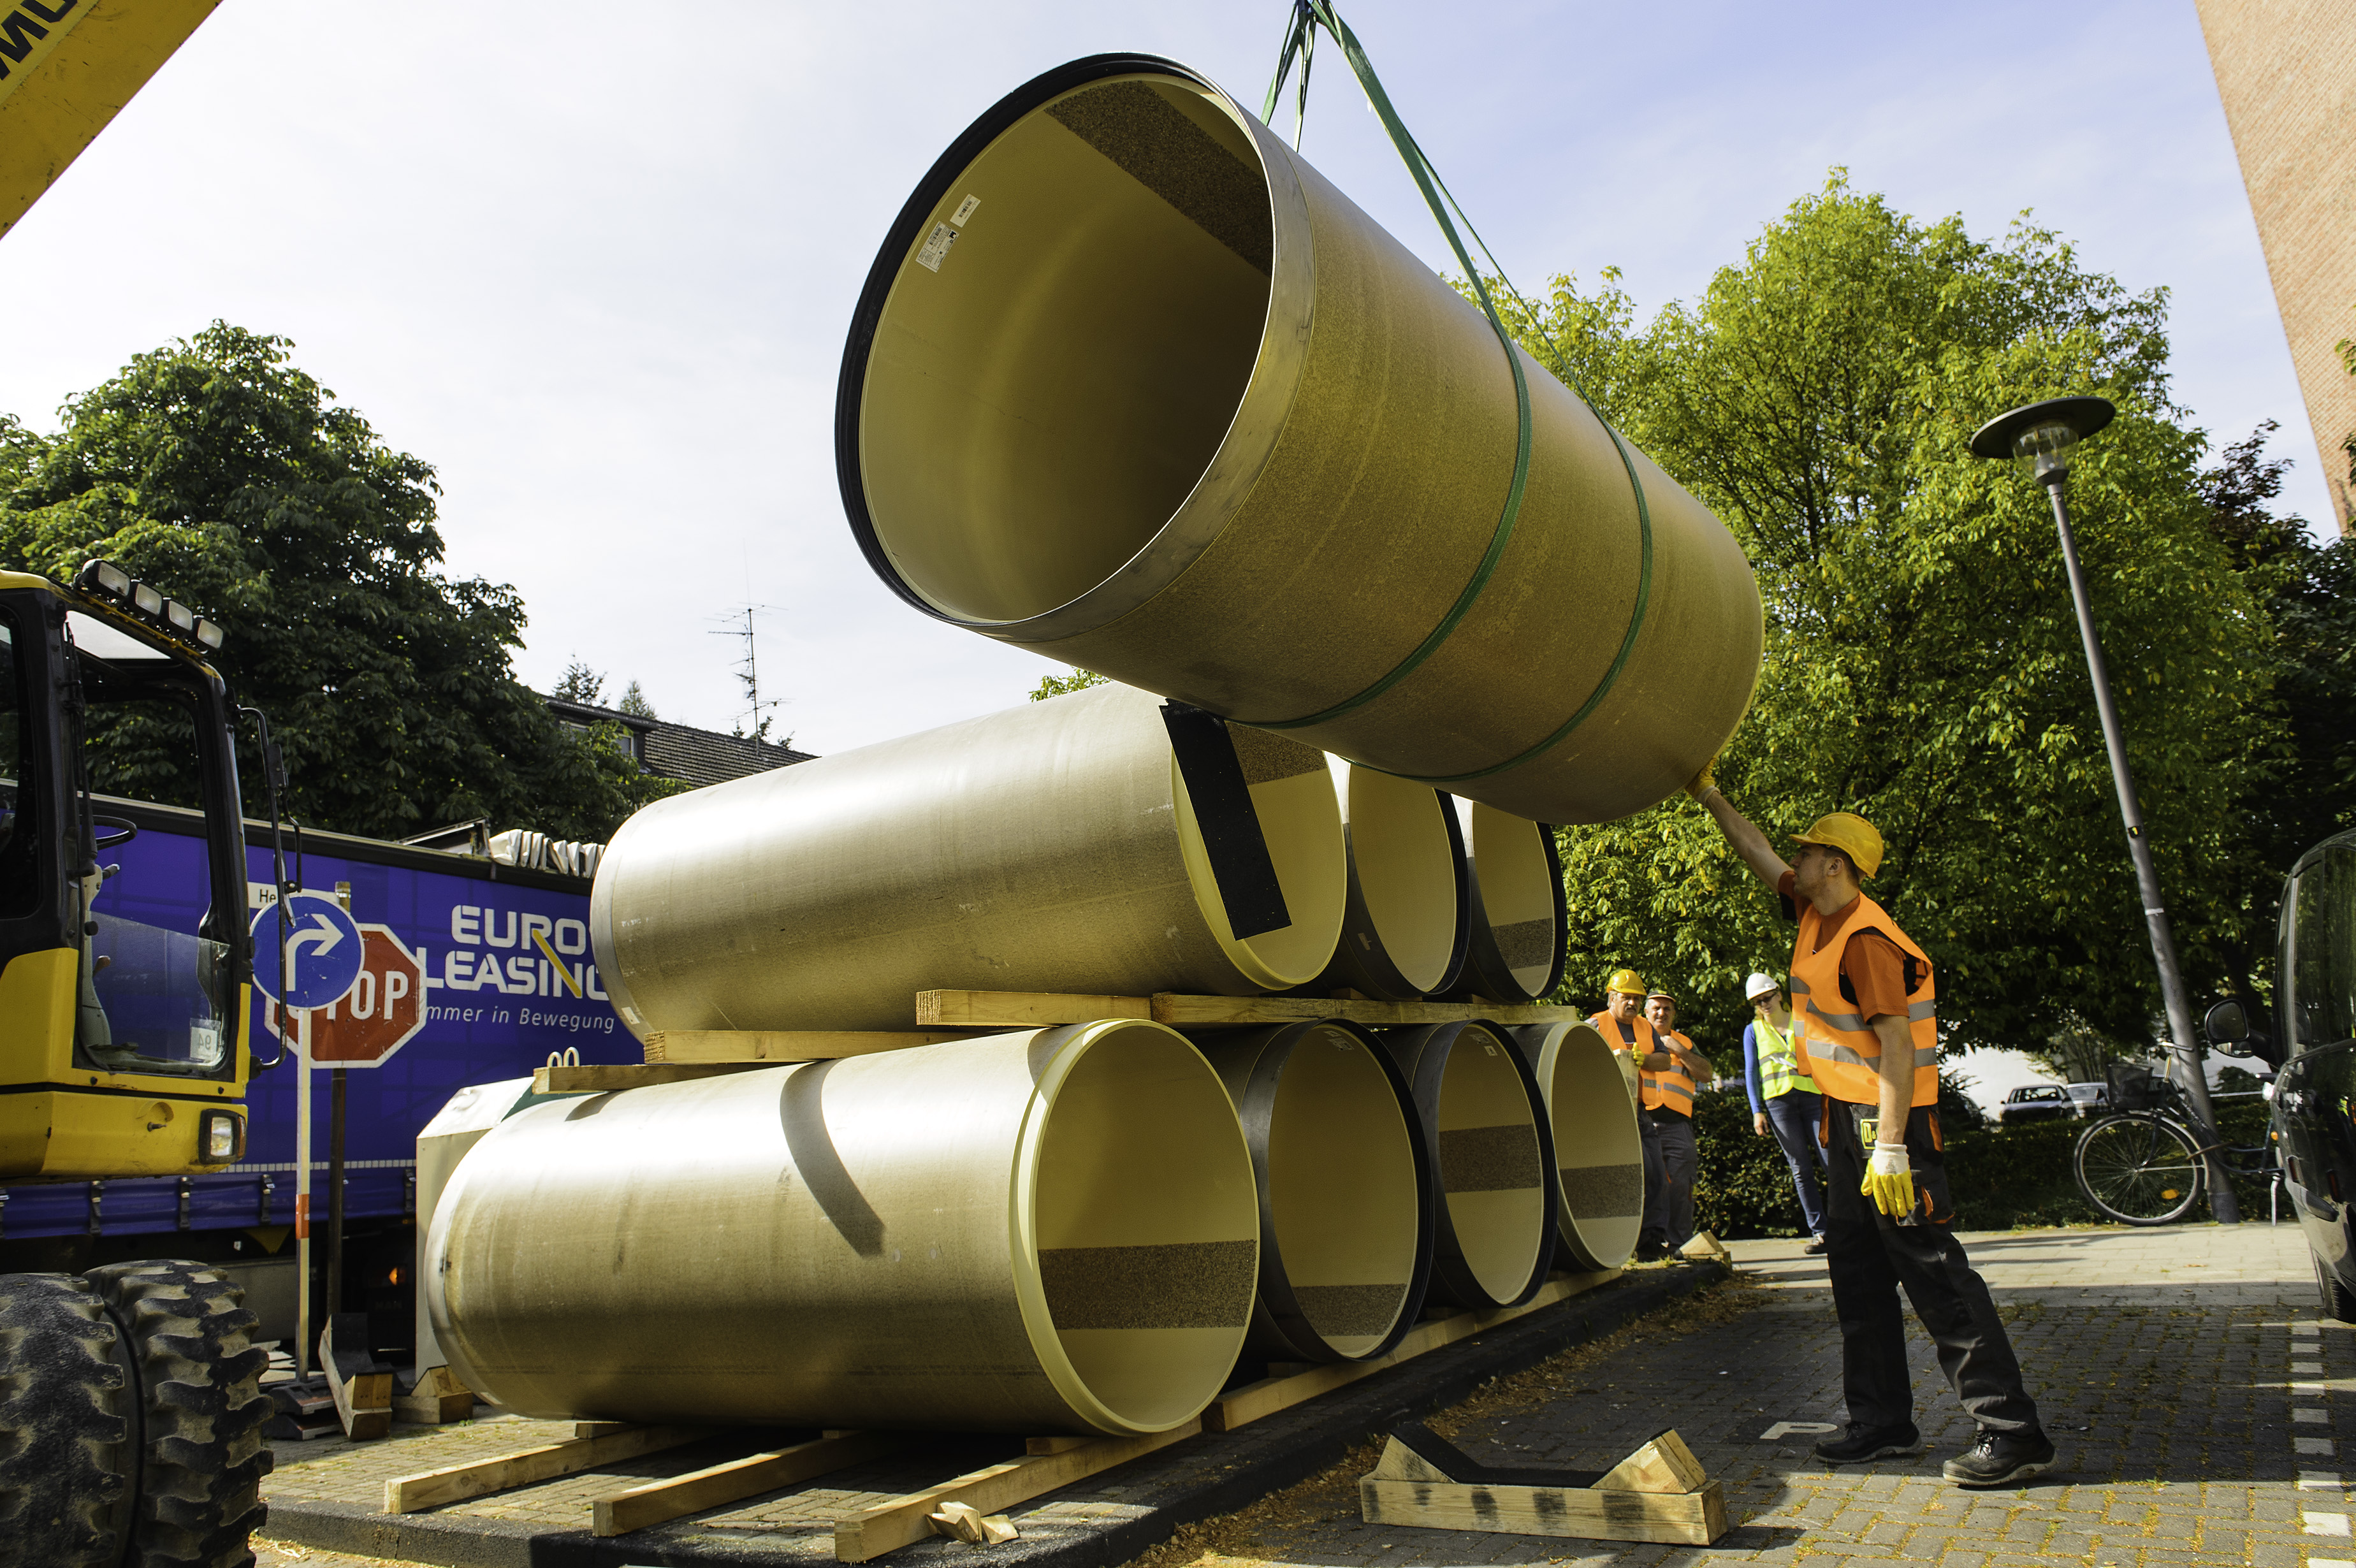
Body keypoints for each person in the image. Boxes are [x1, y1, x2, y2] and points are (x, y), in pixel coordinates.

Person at [1690, 780, 2053, 1488]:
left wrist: (1888, 1145)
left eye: (1812, 849)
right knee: (1857, 1275)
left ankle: (2014, 1433)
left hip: (1890, 1126)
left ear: (1840, 864)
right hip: (1844, 1119)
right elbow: (1754, 848)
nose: (1798, 856)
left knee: (1934, 1272)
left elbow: (1894, 1048)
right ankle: (1882, 1421)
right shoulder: (1812, 908)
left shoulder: (1867, 940)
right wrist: (1710, 796)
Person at [1589, 969, 1674, 1261]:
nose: (1633, 1004)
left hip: (1638, 1112)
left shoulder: (1645, 1027)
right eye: (1626, 998)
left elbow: (1664, 1060)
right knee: (1618, 1174)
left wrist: (1645, 1060)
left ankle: (1650, 1241)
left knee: (1654, 1173)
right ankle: (1614, 1239)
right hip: (1606, 1114)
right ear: (1612, 997)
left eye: (1637, 999)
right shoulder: (1595, 1024)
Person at [1742, 971, 1828, 1255]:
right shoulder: (1753, 1031)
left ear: (1779, 994)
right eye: (1757, 1001)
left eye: (1767, 997)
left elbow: (1821, 1058)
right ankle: (1821, 1233)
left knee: (1831, 1161)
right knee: (1800, 1168)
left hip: (1813, 1097)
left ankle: (1852, 1226)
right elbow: (1751, 1072)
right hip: (1778, 1104)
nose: (1764, 1004)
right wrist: (1757, 1111)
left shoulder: (1801, 1021)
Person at [1642, 990, 1715, 1255]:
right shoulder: (1636, 1039)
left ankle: (1678, 1245)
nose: (1661, 1013)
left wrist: (1681, 1051)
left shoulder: (1684, 1041)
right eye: (1656, 1008)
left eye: (1667, 1009)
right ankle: (1648, 1245)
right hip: (1642, 1121)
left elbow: (1706, 1074)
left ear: (1673, 1014)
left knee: (1681, 1185)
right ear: (1646, 1012)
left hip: (1677, 1125)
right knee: (1647, 1183)